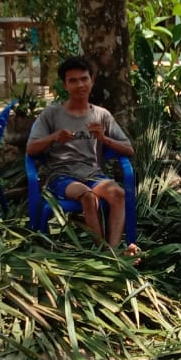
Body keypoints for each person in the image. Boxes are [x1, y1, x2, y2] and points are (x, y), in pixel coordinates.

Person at [26, 56, 135, 248]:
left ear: (92, 81)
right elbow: (31, 149)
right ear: (65, 85)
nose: (80, 85)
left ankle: (113, 252)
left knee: (118, 194)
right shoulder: (51, 114)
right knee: (87, 196)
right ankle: (103, 250)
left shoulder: (101, 115)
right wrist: (54, 137)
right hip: (62, 177)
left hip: (94, 175)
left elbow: (129, 150)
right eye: (73, 80)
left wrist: (104, 139)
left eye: (84, 79)